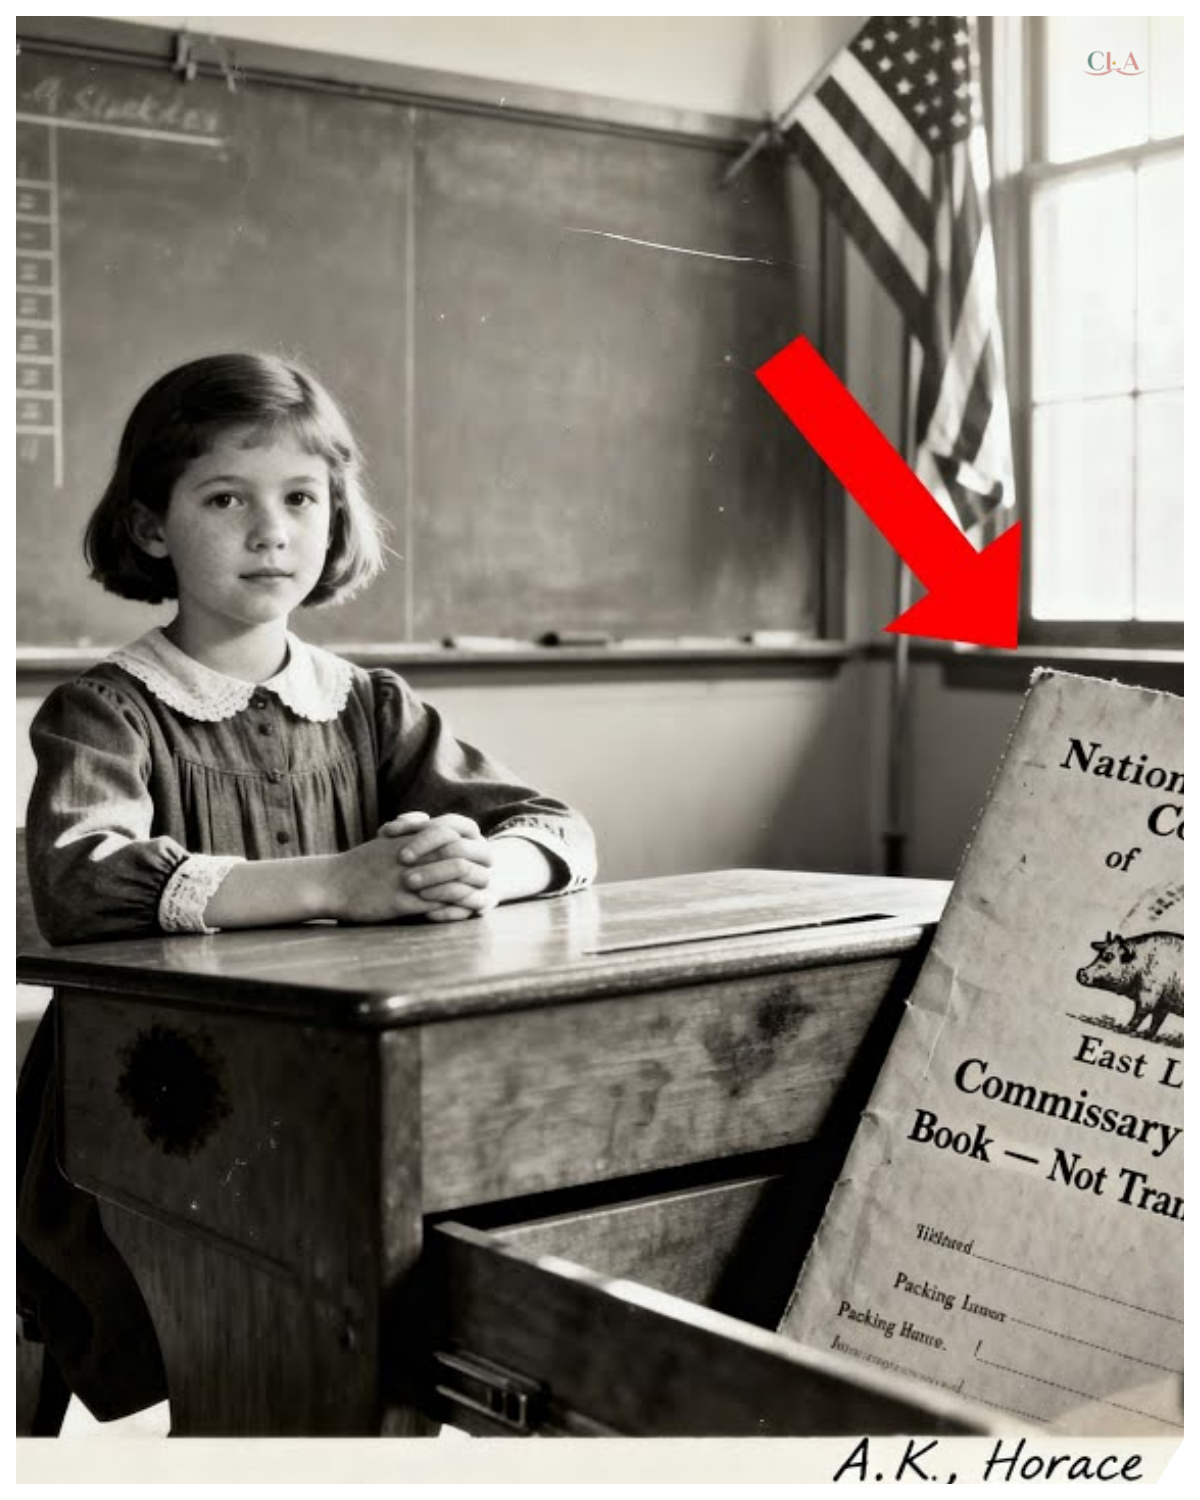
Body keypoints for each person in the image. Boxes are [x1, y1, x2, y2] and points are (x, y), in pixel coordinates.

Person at [18, 352, 597, 1425]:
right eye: (225, 498)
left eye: (301, 498)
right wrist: (339, 881)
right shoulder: (106, 711)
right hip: (143, 1117)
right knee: (267, 1298)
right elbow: (77, 883)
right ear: (151, 528)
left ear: (334, 521)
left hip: (327, 1101)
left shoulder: (370, 708)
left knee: (431, 1255)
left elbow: (556, 828)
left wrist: (485, 868)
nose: (270, 530)